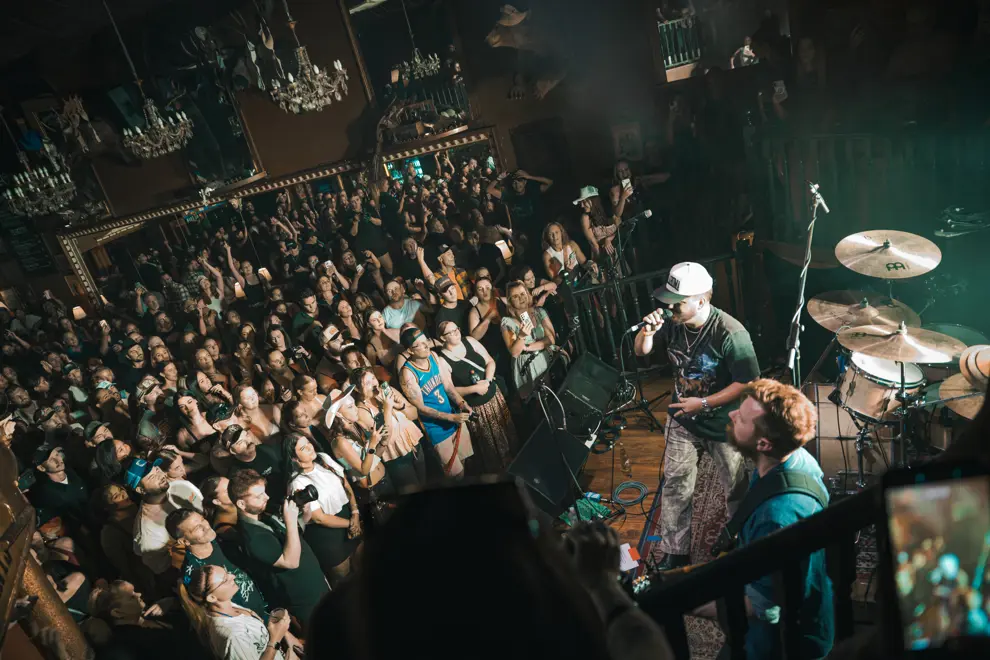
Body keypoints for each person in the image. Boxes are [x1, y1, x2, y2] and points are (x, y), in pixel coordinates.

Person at [692, 379, 834, 659]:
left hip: (783, 643)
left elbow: (765, 608)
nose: (732, 415)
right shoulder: (799, 460)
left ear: (764, 444)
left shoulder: (777, 518)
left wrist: (688, 601)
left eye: (742, 418)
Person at [633, 262, 760, 571]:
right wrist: (646, 333)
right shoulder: (673, 322)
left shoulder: (731, 332)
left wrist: (703, 403)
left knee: (736, 487)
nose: (669, 306)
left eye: (678, 300)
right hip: (681, 419)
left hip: (722, 424)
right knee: (676, 484)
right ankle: (676, 551)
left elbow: (748, 382)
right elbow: (641, 351)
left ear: (702, 300)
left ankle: (737, 536)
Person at [229, 469, 329, 629]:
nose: (266, 497)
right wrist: (289, 520)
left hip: (318, 585)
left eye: (265, 492)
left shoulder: (264, 513)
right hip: (306, 602)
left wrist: (305, 508)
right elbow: (291, 562)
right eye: (259, 496)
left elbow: (296, 532)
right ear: (241, 504)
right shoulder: (252, 536)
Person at [436, 320, 518, 472]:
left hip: (495, 397)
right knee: (491, 444)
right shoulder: (442, 360)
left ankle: (517, 463)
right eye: (451, 332)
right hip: (478, 408)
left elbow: (490, 361)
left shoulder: (470, 341)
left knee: (507, 432)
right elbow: (449, 389)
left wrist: (487, 381)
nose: (456, 333)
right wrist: (473, 388)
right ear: (442, 338)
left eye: (457, 329)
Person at [398, 326, 474, 478]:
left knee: (464, 462)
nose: (426, 345)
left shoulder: (433, 356)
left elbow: (447, 386)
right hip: (437, 428)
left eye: (425, 340)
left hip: (453, 416)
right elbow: (420, 407)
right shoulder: (407, 374)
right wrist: (450, 418)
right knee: (455, 474)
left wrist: (461, 403)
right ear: (410, 350)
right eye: (419, 344)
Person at [284, 433, 361, 583]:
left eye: (308, 443)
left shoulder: (323, 458)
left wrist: (355, 512)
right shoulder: (297, 483)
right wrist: (352, 524)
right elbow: (319, 518)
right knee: (346, 582)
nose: (309, 447)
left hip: (349, 517)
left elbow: (345, 484)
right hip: (328, 535)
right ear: (294, 458)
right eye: (303, 448)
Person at [167, 508, 269, 620]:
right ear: (184, 541)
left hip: (264, 606)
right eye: (197, 528)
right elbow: (207, 612)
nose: (206, 526)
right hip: (248, 623)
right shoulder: (194, 572)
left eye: (202, 520)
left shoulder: (221, 540)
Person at [185, 565, 295, 660]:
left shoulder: (228, 605)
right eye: (225, 580)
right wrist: (276, 639)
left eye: (227, 572)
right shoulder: (233, 636)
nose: (232, 576)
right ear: (212, 597)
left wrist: (280, 632)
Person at [350, 367, 426, 492]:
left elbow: (414, 414)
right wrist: (388, 408)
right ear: (358, 389)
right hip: (397, 458)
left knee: (425, 486)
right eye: (367, 383)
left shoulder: (388, 391)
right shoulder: (361, 411)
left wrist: (400, 406)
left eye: (373, 378)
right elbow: (387, 437)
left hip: (414, 445)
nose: (374, 384)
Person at [501, 280, 557, 399]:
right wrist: (521, 336)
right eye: (515, 296)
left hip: (545, 357)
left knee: (554, 395)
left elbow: (551, 339)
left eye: (522, 293)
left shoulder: (539, 312)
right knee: (536, 401)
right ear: (510, 301)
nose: (521, 298)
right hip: (527, 364)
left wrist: (527, 347)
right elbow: (515, 352)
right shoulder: (507, 322)